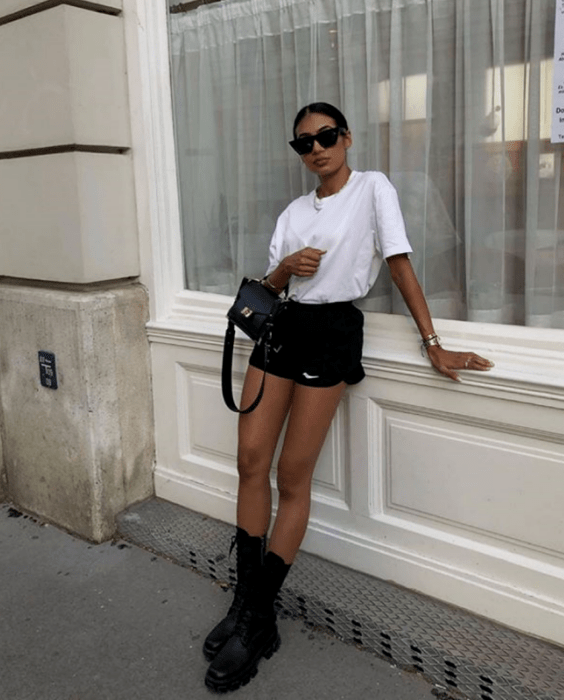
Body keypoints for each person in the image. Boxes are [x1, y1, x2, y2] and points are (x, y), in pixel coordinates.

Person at [203, 102, 494, 693]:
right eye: (304, 143)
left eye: (326, 136)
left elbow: (398, 261)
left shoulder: (372, 188)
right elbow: (266, 287)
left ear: (347, 138)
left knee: (293, 476)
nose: (317, 149)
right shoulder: (292, 212)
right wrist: (285, 267)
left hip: (331, 333)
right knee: (249, 461)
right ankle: (246, 601)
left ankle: (259, 620)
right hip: (282, 328)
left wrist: (433, 343)